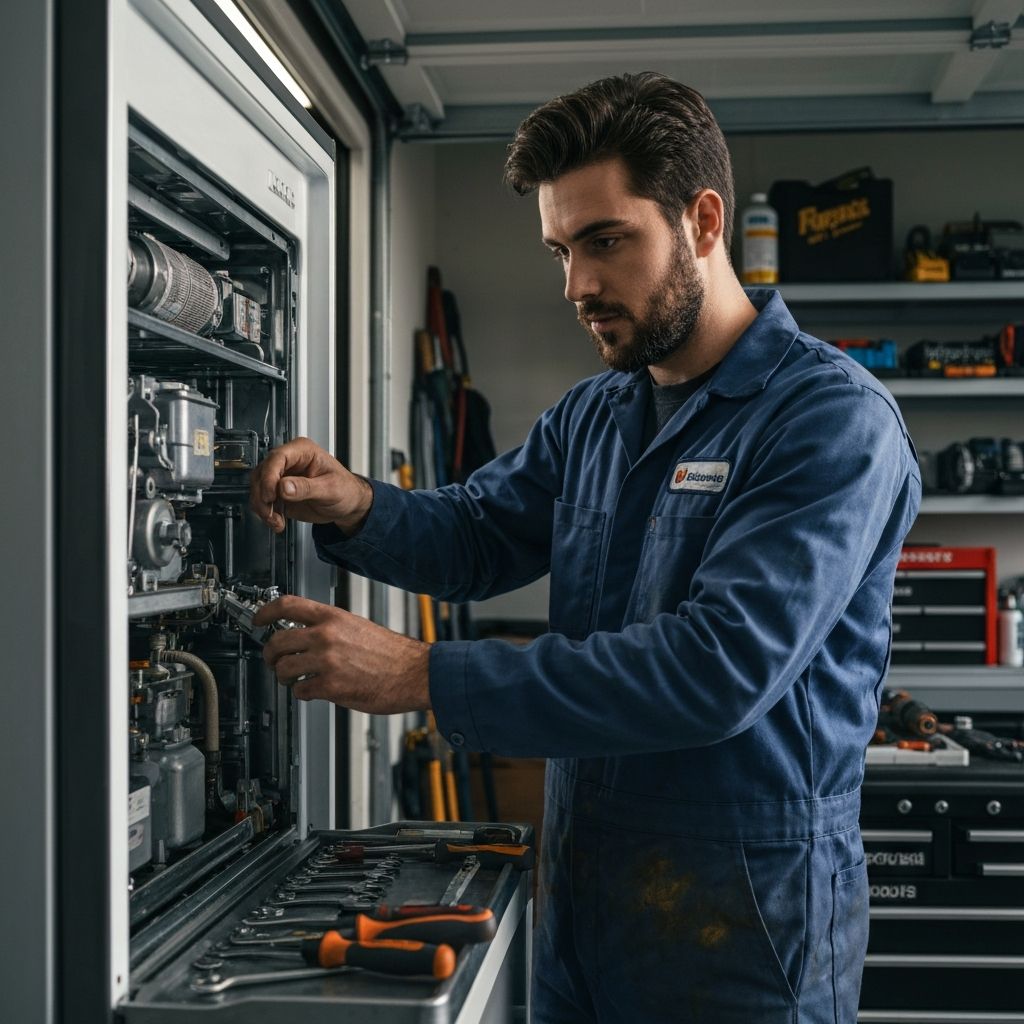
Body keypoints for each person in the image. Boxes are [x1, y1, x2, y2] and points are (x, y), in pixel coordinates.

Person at [250, 72, 921, 1023]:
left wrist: (422, 676)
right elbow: (481, 535)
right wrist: (353, 504)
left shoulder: (828, 423)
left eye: (606, 242)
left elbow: (717, 668)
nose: (578, 285)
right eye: (562, 250)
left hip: (744, 941)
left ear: (702, 220)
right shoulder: (600, 414)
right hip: (583, 906)